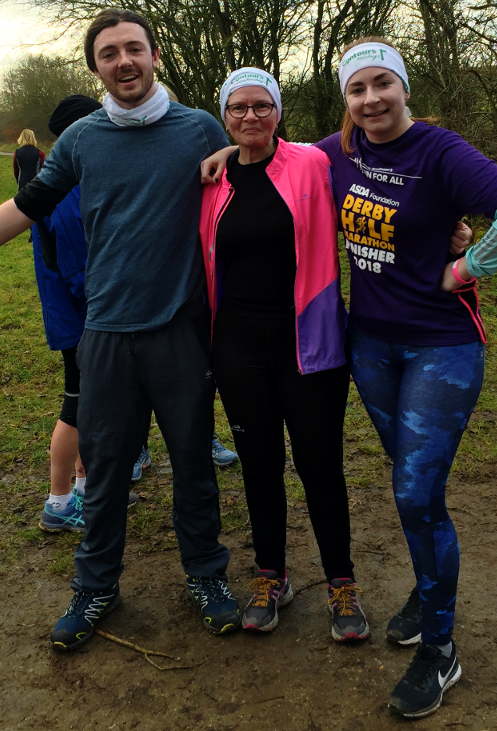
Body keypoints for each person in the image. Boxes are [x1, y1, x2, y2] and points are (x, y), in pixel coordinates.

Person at [0, 8, 239, 651]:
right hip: (104, 333)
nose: (124, 61)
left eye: (135, 48)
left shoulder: (199, 129)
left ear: (156, 56)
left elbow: (282, 174)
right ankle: (96, 587)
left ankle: (207, 576)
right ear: (96, 67)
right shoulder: (81, 140)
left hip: (179, 333)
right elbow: (23, 209)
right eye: (110, 53)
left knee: (193, 465)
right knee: (102, 471)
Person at [313, 38, 497, 718]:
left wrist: (468, 267)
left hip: (440, 346)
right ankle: (428, 583)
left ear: (403, 87)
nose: (371, 100)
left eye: (383, 84)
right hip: (370, 345)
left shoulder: (440, 152)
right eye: (357, 90)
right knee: (411, 481)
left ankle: (440, 647)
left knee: (416, 492)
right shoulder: (337, 152)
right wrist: (216, 155)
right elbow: (275, 164)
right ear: (347, 99)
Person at [200, 68, 367, 641]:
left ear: (278, 111)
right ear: (224, 116)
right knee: (260, 466)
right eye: (238, 108)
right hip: (238, 348)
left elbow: (382, 180)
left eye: (261, 105)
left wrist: (446, 229)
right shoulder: (211, 181)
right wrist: (226, 153)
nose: (250, 116)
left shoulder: (314, 163)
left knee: (320, 465)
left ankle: (341, 583)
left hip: (311, 344)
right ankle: (271, 574)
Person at [31, 94, 139, 533]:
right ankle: (58, 503)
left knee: (92, 406)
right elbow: (79, 269)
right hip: (82, 320)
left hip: (85, 316)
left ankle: (86, 488)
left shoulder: (73, 181)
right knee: (76, 406)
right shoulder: (68, 190)